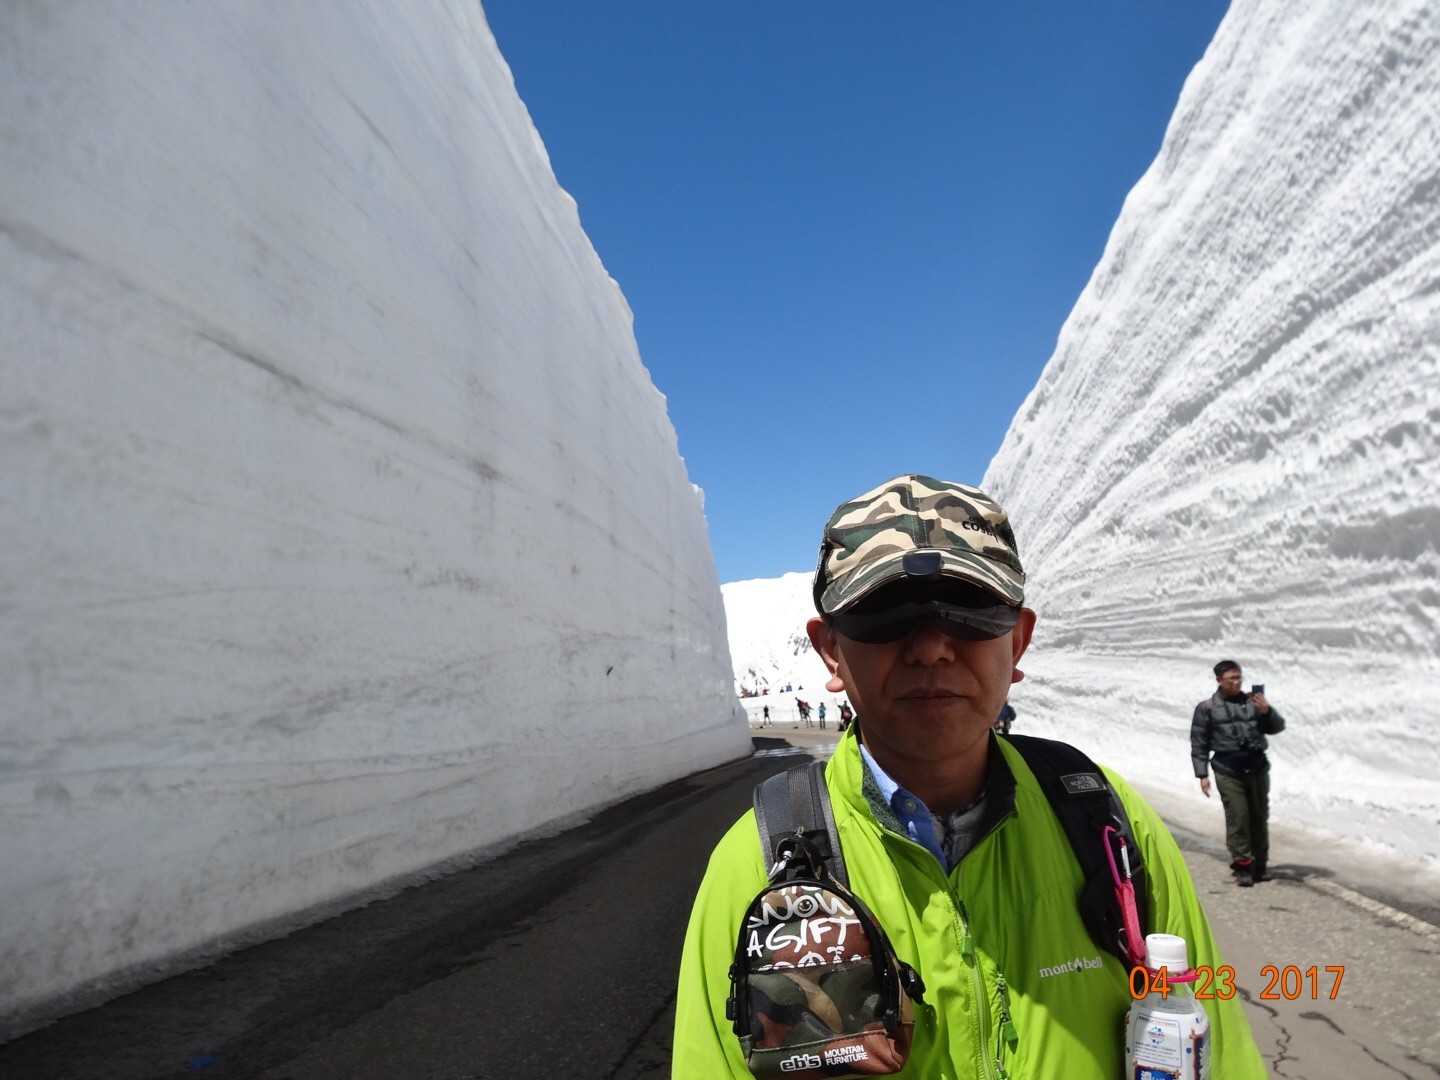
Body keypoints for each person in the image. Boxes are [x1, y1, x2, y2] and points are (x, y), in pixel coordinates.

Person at [673, 474, 1264, 1079]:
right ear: (831, 651)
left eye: (971, 610)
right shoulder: (755, 868)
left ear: (1018, 642)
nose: (931, 647)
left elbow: (1219, 1051)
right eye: (884, 613)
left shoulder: (1109, 822)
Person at [1192, 659, 1285, 887]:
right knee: (1239, 817)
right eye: (1232, 678)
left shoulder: (1254, 702)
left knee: (1259, 817)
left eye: (1239, 677)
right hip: (1228, 770)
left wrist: (1267, 712)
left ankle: (1260, 866)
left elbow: (1276, 727)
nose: (1237, 682)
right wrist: (1202, 774)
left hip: (1257, 768)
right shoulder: (1207, 708)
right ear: (1219, 680)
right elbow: (1199, 742)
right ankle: (1243, 866)